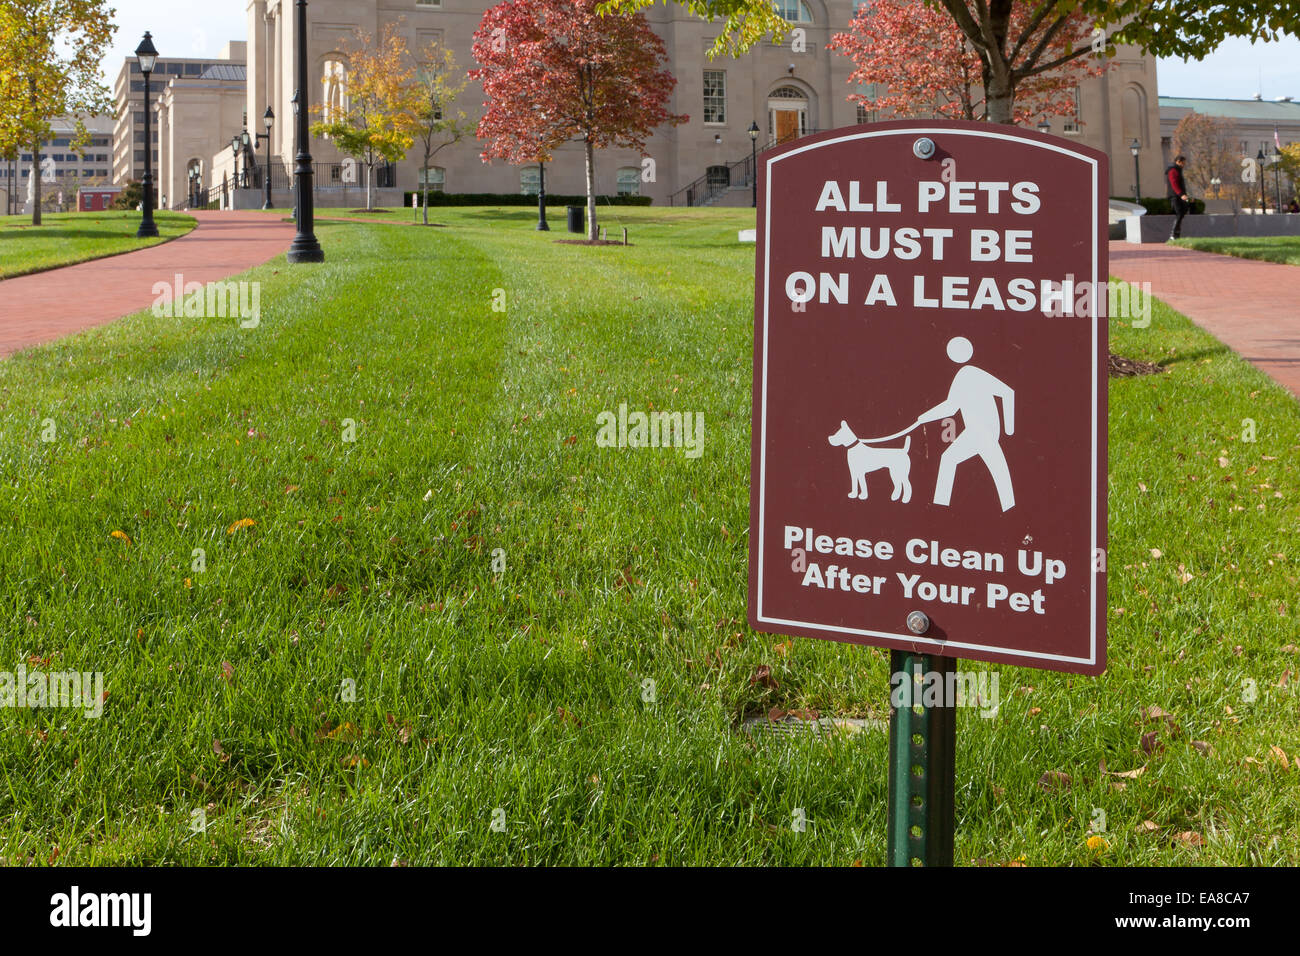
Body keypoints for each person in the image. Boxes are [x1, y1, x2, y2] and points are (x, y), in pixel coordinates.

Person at [1166, 154, 1192, 241]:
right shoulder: (1173, 170)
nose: (1184, 165)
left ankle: (1176, 235)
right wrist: (1181, 195)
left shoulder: (1178, 170)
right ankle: (1173, 235)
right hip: (1175, 196)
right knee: (1179, 213)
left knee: (1182, 212)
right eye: (1183, 163)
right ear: (1178, 162)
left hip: (1180, 196)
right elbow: (1174, 184)